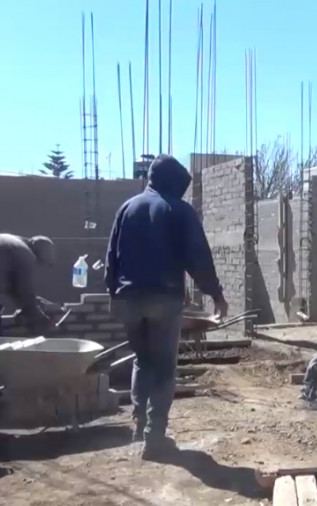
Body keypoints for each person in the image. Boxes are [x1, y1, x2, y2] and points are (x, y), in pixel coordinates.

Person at [105, 154, 228, 457]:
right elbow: (198, 258)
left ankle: (139, 426)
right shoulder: (178, 210)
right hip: (163, 298)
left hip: (128, 299)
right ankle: (154, 436)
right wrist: (216, 294)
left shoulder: (127, 208)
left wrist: (113, 294)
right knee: (163, 367)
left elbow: (111, 257)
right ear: (173, 182)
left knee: (142, 360)